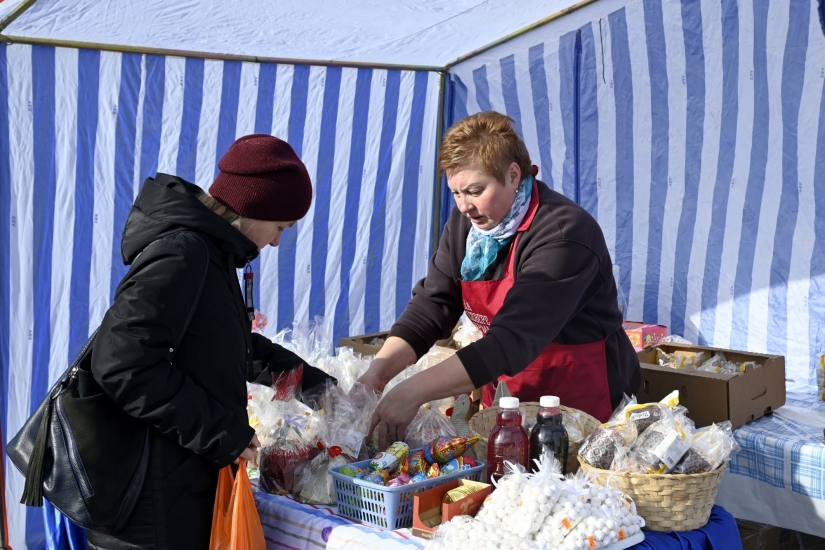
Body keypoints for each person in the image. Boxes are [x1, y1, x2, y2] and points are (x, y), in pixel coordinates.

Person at [87, 134, 333, 549]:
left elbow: (227, 344)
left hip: (173, 491)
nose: (276, 241)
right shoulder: (185, 254)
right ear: (256, 207)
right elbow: (121, 363)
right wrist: (224, 434)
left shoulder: (210, 255)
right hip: (148, 510)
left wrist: (316, 386)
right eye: (280, 226)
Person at [360, 112, 640, 447]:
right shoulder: (470, 223)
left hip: (580, 402)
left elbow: (512, 340)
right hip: (507, 398)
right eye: (455, 192)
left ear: (512, 174)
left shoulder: (564, 234)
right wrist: (376, 375)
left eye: (475, 190)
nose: (464, 206)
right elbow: (434, 303)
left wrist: (413, 390)